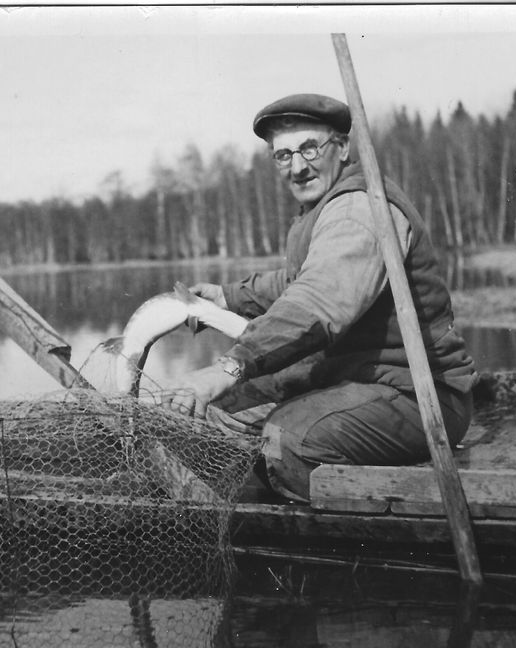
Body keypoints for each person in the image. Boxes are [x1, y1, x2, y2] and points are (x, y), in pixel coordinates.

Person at [163, 93, 477, 502]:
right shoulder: (323, 208)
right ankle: (242, 490)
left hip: (418, 397)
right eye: (283, 155)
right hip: (355, 380)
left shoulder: (358, 211)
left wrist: (228, 367)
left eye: (310, 148)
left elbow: (317, 304)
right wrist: (226, 297)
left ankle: (329, 534)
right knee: (220, 411)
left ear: (343, 148)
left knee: (285, 439)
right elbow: (298, 280)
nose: (297, 167)